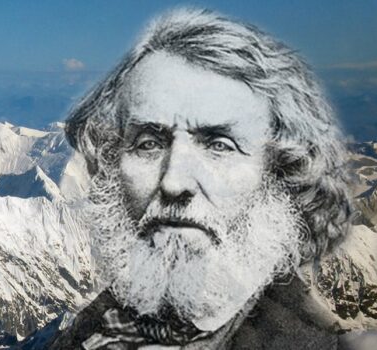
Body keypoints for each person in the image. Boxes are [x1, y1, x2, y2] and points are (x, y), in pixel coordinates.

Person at [46, 8, 358, 349]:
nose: (174, 182)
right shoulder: (91, 330)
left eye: (219, 145)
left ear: (282, 176)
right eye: (148, 143)